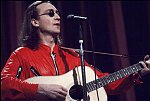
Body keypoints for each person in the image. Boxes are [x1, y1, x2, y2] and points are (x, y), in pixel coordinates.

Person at [1, 1, 150, 101]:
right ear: (34, 22)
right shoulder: (22, 54)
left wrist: (137, 73)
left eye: (58, 13)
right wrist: (39, 89)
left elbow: (105, 82)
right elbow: (4, 83)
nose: (58, 17)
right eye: (50, 14)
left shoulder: (72, 56)